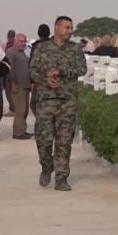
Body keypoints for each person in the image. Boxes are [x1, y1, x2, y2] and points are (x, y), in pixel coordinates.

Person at [30, 16, 87, 191]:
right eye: (66, 28)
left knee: (64, 141)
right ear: (57, 28)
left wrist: (62, 71)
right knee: (44, 139)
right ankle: (47, 166)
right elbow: (32, 71)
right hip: (46, 100)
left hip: (67, 100)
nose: (70, 31)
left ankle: (62, 178)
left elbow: (82, 69)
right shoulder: (41, 48)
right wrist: (45, 79)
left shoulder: (75, 49)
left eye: (71, 28)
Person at [6, 33, 32, 139]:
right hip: (17, 85)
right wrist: (13, 82)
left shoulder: (23, 53)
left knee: (25, 110)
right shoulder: (11, 52)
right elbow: (9, 69)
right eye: (21, 41)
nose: (23, 43)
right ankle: (17, 132)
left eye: (24, 41)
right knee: (20, 110)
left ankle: (22, 129)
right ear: (15, 41)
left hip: (25, 85)